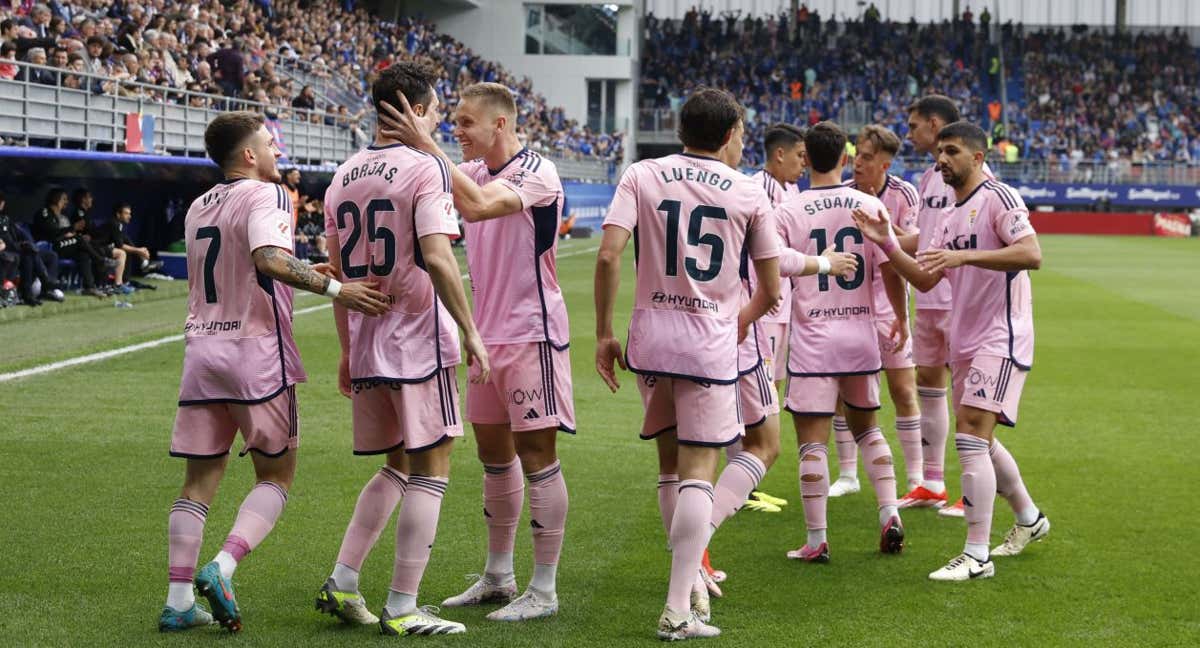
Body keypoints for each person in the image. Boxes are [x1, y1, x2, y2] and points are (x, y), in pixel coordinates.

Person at [159, 111, 389, 633]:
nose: (276, 151)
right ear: (248, 155)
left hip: (202, 350)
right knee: (277, 475)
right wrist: (337, 289)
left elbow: (242, 264)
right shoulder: (269, 194)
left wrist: (303, 269)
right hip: (255, 353)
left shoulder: (199, 205)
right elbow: (265, 258)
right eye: (269, 143)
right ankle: (222, 566)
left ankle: (177, 603)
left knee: (197, 480)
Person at [378, 81, 574, 622]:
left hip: (532, 332)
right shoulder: (476, 173)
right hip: (485, 335)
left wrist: (429, 147)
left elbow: (483, 207)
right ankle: (497, 574)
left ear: (500, 125)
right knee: (494, 457)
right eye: (454, 122)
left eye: (465, 123)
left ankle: (544, 588)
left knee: (538, 457)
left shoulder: (538, 170)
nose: (456, 130)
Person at [594, 87, 781, 640]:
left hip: (650, 342)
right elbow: (770, 290)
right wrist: (732, 326)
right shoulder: (749, 193)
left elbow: (608, 254)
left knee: (670, 469)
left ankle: (689, 583)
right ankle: (679, 605)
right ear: (728, 135)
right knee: (702, 472)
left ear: (681, 131)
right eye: (742, 132)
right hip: (707, 346)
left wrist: (605, 333)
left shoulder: (641, 174)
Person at [314, 61, 490, 636]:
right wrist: (469, 329)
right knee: (433, 466)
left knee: (396, 464)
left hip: (367, 344)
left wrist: (345, 350)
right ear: (415, 110)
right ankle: (402, 606)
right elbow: (439, 257)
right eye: (436, 109)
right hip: (417, 339)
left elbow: (338, 276)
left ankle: (342, 582)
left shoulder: (341, 176)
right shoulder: (424, 169)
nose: (438, 118)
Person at [852, 121, 1050, 581]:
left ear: (978, 158)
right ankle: (1028, 518)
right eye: (940, 151)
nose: (942, 158)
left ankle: (976, 555)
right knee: (980, 438)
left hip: (1001, 334)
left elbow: (1031, 253)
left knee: (970, 436)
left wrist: (964, 257)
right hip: (966, 338)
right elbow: (923, 278)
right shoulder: (945, 216)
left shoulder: (999, 198)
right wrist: (884, 243)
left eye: (953, 151)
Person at [774, 121, 908, 564]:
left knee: (812, 442)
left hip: (814, 338)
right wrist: (901, 321)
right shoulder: (869, 205)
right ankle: (889, 513)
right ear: (846, 159)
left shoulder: (789, 211)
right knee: (869, 428)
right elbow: (891, 267)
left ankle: (817, 540)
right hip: (860, 335)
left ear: (806, 158)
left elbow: (774, 267)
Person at [898, 95, 993, 516]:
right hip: (929, 292)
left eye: (915, 126)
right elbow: (928, 235)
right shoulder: (927, 176)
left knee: (968, 402)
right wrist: (881, 239)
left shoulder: (974, 174)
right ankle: (932, 481)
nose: (910, 134)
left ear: (935, 124)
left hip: (960, 297)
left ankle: (970, 489)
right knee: (929, 383)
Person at [831, 125, 922, 497]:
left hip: (888, 304)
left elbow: (914, 246)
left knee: (902, 388)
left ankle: (917, 479)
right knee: (842, 392)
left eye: (867, 157)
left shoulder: (904, 193)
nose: (858, 162)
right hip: (848, 306)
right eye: (857, 155)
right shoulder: (842, 193)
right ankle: (848, 475)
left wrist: (883, 227)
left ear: (885, 163)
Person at [33, 188, 104, 297]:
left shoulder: (58, 216)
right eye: (64, 199)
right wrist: (72, 228)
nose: (67, 202)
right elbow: (52, 233)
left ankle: (89, 287)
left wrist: (70, 233)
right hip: (47, 247)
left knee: (82, 252)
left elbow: (59, 233)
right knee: (79, 240)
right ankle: (100, 260)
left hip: (58, 245)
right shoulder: (45, 212)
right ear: (56, 199)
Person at [0, 192, 64, 305]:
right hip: (8, 251)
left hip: (18, 250)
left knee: (50, 255)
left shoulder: (5, 218)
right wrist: (21, 246)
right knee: (28, 254)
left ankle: (46, 288)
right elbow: (6, 241)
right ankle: (36, 289)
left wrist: (29, 243)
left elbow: (21, 233)